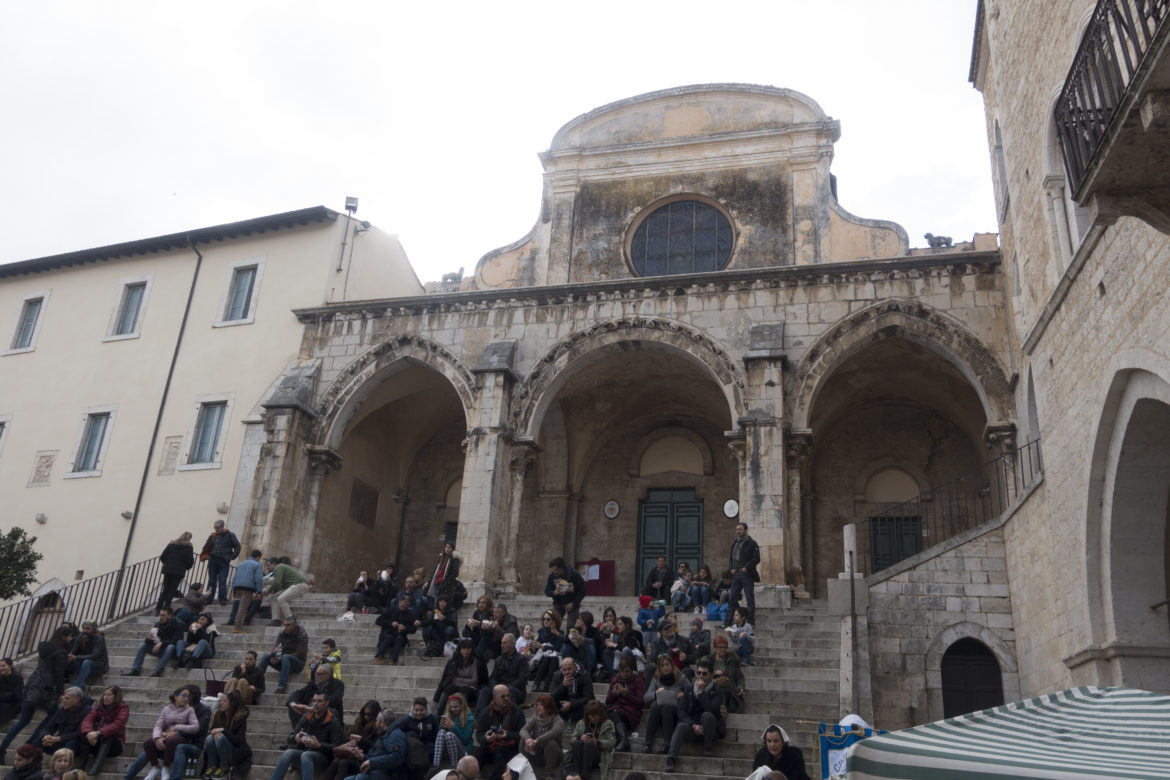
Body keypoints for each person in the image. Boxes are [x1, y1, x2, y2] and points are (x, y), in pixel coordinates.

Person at [2, 626, 75, 760]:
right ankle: (32, 743)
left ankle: (3, 747)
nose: (71, 639)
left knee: (23, 720)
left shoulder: (45, 647)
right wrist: (60, 692)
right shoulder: (61, 653)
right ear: (63, 637)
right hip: (45, 689)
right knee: (54, 716)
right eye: (70, 636)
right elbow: (58, 675)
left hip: (32, 685)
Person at [663, 661, 725, 774]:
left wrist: (701, 693)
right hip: (693, 727)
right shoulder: (690, 689)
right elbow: (681, 710)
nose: (701, 676)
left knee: (707, 716)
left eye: (704, 674)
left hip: (710, 730)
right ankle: (671, 759)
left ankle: (707, 747)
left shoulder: (718, 690)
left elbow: (712, 710)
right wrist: (693, 725)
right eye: (699, 673)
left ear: (711, 675)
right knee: (681, 726)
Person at [269, 692, 342, 780]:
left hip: (323, 758)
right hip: (305, 754)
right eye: (314, 701)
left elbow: (337, 746)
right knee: (288, 753)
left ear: (326, 703)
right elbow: (291, 737)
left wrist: (319, 745)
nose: (315, 704)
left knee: (307, 755)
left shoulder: (333, 721)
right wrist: (296, 738)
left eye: (319, 701)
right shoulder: (307, 717)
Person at [141, 688, 198, 780]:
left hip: (181, 736)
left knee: (171, 740)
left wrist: (176, 727)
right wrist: (157, 738)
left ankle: (166, 767)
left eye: (188, 696)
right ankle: (155, 767)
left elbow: (195, 727)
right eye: (184, 696)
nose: (186, 698)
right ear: (176, 696)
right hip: (165, 735)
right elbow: (158, 725)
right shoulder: (166, 709)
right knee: (148, 742)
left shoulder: (190, 710)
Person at [640, 655, 689, 756]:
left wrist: (683, 695)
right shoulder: (656, 679)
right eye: (662, 665)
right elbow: (645, 698)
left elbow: (692, 691)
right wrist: (656, 693)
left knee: (667, 708)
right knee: (656, 707)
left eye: (667, 664)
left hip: (675, 710)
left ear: (672, 664)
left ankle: (667, 744)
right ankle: (648, 744)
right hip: (659, 712)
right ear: (659, 667)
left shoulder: (680, 677)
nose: (665, 667)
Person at [472, 686, 523, 780]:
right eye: (503, 696)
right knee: (480, 752)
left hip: (510, 748)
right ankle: (470, 776)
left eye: (508, 696)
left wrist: (507, 735)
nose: (507, 698)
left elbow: (522, 735)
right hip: (491, 746)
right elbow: (479, 734)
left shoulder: (517, 712)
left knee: (500, 752)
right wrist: (486, 738)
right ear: (495, 698)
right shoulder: (486, 712)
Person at [321, 700, 380, 780]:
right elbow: (347, 737)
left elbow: (374, 747)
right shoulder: (359, 722)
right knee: (336, 761)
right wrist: (351, 740)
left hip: (363, 759)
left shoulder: (377, 728)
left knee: (343, 762)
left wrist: (361, 740)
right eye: (364, 714)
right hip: (351, 754)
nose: (366, 717)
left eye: (369, 714)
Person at [76, 686, 127, 775]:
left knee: (109, 735)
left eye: (109, 695)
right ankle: (81, 767)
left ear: (116, 697)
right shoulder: (99, 707)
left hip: (115, 745)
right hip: (97, 743)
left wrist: (98, 733)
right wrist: (89, 733)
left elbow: (118, 724)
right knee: (84, 734)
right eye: (104, 695)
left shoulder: (123, 708)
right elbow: (88, 720)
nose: (105, 697)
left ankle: (97, 767)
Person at [201, 691, 251, 779]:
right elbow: (211, 731)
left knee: (220, 738)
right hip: (219, 748)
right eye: (221, 701)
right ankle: (213, 766)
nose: (221, 703)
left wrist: (223, 731)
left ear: (232, 703)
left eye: (224, 701)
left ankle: (224, 767)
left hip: (235, 751)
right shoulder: (219, 715)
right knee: (209, 738)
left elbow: (238, 740)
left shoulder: (240, 718)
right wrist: (215, 733)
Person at [28, 687, 91, 754]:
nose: (64, 701)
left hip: (76, 743)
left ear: (77, 699)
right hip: (60, 741)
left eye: (67, 698)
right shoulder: (63, 709)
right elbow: (49, 726)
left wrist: (58, 738)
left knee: (71, 745)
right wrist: (46, 735)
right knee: (38, 742)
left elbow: (80, 734)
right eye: (64, 698)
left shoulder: (87, 711)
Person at [475, 636, 527, 716]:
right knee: (485, 691)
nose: (501, 645)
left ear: (513, 644)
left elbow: (522, 680)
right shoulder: (499, 660)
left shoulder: (521, 659)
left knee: (510, 690)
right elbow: (493, 678)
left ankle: (511, 718)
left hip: (516, 690)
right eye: (501, 643)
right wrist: (496, 688)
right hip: (499, 689)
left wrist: (504, 689)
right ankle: (478, 718)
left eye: (505, 643)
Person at [124, 608, 183, 678]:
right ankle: (135, 669)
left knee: (170, 647)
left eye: (163, 615)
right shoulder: (158, 624)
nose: (160, 617)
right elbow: (153, 640)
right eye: (160, 615)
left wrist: (162, 643)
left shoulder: (177, 624)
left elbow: (176, 640)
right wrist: (148, 639)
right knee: (142, 645)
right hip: (159, 649)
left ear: (169, 616)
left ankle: (158, 670)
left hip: (172, 651)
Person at [351, 709, 406, 780]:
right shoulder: (385, 734)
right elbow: (376, 756)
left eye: (377, 721)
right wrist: (362, 757)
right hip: (377, 772)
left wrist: (371, 762)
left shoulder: (397, 735)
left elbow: (396, 758)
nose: (376, 723)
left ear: (382, 723)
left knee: (360, 778)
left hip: (389, 775)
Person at [565, 700, 615, 780]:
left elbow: (612, 742)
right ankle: (578, 775)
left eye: (594, 715)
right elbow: (572, 739)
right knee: (576, 743)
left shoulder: (608, 724)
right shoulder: (581, 723)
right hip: (581, 754)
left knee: (589, 744)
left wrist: (597, 742)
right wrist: (580, 737)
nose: (592, 718)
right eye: (590, 715)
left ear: (600, 714)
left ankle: (585, 776)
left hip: (598, 755)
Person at [604, 657, 645, 753]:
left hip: (631, 713)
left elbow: (640, 702)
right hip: (616, 709)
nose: (624, 674)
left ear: (632, 670)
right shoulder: (615, 680)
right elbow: (608, 701)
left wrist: (626, 694)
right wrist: (614, 694)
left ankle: (624, 741)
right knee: (605, 713)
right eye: (622, 671)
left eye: (627, 671)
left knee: (614, 714)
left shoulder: (638, 681)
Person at [259, 618, 310, 695]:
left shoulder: (302, 635)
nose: (286, 627)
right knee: (266, 657)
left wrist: (281, 657)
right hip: (283, 661)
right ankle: (257, 682)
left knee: (286, 657)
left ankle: (282, 686)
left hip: (298, 663)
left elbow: (300, 654)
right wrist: (274, 654)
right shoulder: (282, 634)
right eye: (285, 625)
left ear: (294, 626)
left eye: (288, 625)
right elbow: (275, 648)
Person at [517, 694, 562, 780]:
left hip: (554, 755)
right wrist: (528, 738)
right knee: (523, 739)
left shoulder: (558, 720)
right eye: (537, 705)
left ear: (549, 707)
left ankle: (549, 776)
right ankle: (523, 769)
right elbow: (523, 730)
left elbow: (554, 732)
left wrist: (537, 740)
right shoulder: (535, 719)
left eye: (541, 705)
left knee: (551, 743)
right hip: (537, 753)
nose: (538, 707)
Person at [433, 639, 488, 708]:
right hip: (460, 687)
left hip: (471, 690)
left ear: (472, 649)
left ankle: (462, 713)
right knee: (448, 688)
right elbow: (451, 679)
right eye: (463, 648)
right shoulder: (453, 661)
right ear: (460, 649)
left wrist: (459, 680)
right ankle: (438, 713)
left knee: (464, 690)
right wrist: (466, 684)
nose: (466, 650)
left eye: (468, 648)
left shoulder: (476, 662)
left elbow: (474, 680)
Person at [287, 665, 345, 729]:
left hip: (326, 712)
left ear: (328, 676)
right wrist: (293, 704)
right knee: (294, 708)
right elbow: (298, 693)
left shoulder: (338, 684)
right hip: (309, 710)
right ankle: (300, 731)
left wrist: (313, 708)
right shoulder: (313, 683)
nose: (316, 676)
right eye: (316, 673)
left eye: (319, 674)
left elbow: (335, 700)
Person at [394, 698, 439, 777]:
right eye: (416, 710)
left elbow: (436, 737)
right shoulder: (407, 719)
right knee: (411, 734)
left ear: (426, 709)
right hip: (413, 749)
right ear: (413, 709)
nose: (418, 713)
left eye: (422, 710)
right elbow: (397, 733)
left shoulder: (433, 719)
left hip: (427, 748)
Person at [701, 635, 746, 713]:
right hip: (711, 689)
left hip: (729, 690)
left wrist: (740, 687)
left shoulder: (732, 660)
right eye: (720, 647)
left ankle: (721, 709)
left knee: (723, 686)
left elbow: (739, 677)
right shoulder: (708, 660)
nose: (723, 649)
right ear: (715, 647)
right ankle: (719, 710)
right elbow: (702, 676)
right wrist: (715, 673)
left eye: (725, 647)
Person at [200, 520, 241, 605]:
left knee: (222, 580)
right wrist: (206, 555)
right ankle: (209, 598)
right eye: (215, 528)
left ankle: (222, 598)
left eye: (217, 528)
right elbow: (205, 546)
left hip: (223, 560)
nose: (216, 529)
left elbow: (237, 546)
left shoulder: (230, 535)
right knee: (211, 580)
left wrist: (232, 557)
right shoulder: (212, 536)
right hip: (213, 560)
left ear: (223, 527)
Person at [727, 522, 760, 626]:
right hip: (736, 574)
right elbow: (731, 558)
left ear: (745, 530)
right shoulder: (735, 543)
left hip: (747, 574)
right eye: (737, 529)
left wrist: (747, 567)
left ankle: (750, 622)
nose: (738, 531)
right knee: (732, 598)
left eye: (740, 529)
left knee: (749, 598)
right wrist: (731, 568)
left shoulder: (752, 543)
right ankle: (727, 622)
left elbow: (756, 558)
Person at [374, 595, 420, 666]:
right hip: (387, 634)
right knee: (389, 637)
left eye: (405, 605)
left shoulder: (410, 614)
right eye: (402, 605)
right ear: (399, 602)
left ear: (409, 605)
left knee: (399, 638)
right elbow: (378, 621)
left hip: (400, 636)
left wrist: (405, 628)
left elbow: (413, 629)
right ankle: (379, 656)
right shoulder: (390, 610)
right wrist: (391, 623)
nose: (403, 607)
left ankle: (393, 659)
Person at [432, 693, 474, 771]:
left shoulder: (469, 718)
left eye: (456, 707)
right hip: (448, 748)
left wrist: (453, 727)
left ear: (462, 705)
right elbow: (439, 736)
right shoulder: (448, 714)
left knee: (449, 734)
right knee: (441, 732)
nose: (453, 709)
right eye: (451, 707)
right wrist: (442, 726)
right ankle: (435, 765)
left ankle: (454, 764)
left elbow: (465, 739)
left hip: (463, 749)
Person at [265, 559, 310, 626]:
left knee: (281, 599)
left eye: (268, 565)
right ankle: (276, 620)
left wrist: (268, 591)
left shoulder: (279, 567)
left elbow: (277, 583)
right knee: (273, 597)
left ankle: (291, 621)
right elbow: (279, 584)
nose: (267, 567)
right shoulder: (278, 571)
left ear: (274, 564)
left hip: (299, 585)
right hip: (293, 586)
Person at [157, 533, 195, 612]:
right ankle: (165, 608)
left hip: (168, 569)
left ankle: (158, 607)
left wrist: (167, 564)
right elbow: (190, 560)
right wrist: (186, 567)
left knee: (165, 589)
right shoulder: (188, 547)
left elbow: (163, 556)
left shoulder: (171, 544)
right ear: (189, 538)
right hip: (179, 571)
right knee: (172, 590)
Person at [230, 549, 265, 632]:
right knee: (242, 608)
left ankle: (235, 623)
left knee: (240, 606)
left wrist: (234, 590)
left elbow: (235, 577)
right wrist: (259, 591)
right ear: (258, 557)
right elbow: (258, 579)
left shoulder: (241, 564)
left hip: (238, 587)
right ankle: (237, 627)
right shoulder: (257, 565)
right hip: (247, 589)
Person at [549, 658, 593, 726]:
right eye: (564, 670)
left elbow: (588, 697)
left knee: (589, 707)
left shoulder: (584, 674)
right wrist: (563, 686)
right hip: (563, 707)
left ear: (575, 667)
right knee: (548, 705)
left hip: (578, 705)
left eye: (569, 669)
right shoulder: (557, 675)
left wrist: (571, 704)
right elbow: (552, 697)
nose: (567, 672)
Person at [528, 612, 564, 693]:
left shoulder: (560, 633)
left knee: (552, 658)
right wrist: (533, 646)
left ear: (554, 621)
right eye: (544, 619)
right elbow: (537, 649)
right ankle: (537, 685)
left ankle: (544, 685)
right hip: (541, 660)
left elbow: (558, 648)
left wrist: (543, 647)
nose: (545, 621)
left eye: (548, 619)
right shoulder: (540, 631)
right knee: (546, 658)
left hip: (555, 659)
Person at [67, 622, 109, 690]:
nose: (85, 630)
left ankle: (77, 686)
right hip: (83, 662)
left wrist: (77, 657)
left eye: (88, 629)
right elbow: (74, 650)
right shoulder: (80, 637)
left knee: (87, 662)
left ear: (93, 630)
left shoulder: (99, 638)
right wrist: (69, 656)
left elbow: (95, 656)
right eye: (83, 628)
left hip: (99, 664)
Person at [0, 658, 24, 726]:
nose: (1, 668)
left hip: (12, 704)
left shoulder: (17, 677)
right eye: (0, 666)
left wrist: (3, 695)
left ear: (10, 666)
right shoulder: (1, 677)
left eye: (3, 666)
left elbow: (16, 695)